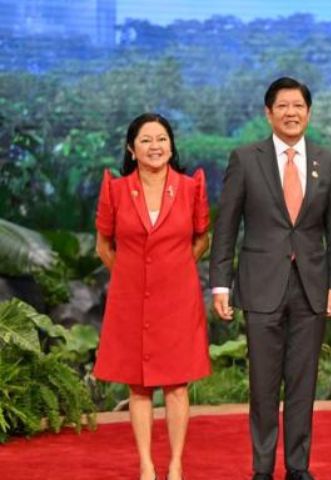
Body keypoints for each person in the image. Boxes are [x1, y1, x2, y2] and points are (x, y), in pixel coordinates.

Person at [209, 77, 331, 480]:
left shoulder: (329, 161)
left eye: (298, 106)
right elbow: (227, 226)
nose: (291, 113)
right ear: (268, 113)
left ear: (309, 112)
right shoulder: (245, 159)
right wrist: (221, 283)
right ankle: (262, 468)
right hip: (260, 284)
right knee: (263, 383)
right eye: (283, 106)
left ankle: (298, 467)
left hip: (311, 286)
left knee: (303, 383)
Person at [94, 113, 211, 480]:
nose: (155, 146)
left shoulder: (190, 188)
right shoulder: (115, 189)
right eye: (146, 140)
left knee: (177, 385)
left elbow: (202, 239)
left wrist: (171, 270)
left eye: (161, 139)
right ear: (132, 149)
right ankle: (146, 464)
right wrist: (133, 274)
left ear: (171, 146)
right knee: (139, 385)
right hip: (131, 299)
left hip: (177, 299)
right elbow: (103, 247)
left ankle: (175, 464)